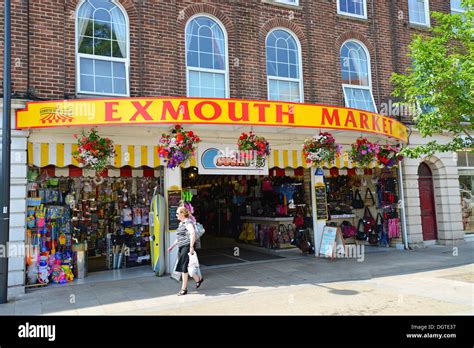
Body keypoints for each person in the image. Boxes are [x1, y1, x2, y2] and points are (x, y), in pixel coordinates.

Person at [167, 206, 204, 296]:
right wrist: (172, 246)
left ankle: (184, 289)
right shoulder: (181, 223)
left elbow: (192, 233)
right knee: (186, 267)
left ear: (182, 214)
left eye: (177, 213)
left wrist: (191, 246)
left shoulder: (188, 223)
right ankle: (198, 279)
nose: (176, 215)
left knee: (184, 268)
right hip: (181, 247)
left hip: (186, 247)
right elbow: (179, 237)